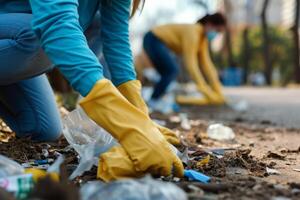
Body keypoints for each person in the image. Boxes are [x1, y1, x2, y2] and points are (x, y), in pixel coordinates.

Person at [0, 0, 183, 181]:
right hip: (21, 35)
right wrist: (124, 123)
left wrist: (140, 119)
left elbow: (116, 38)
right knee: (35, 35)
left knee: (42, 128)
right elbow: (56, 23)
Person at [143, 13, 227, 106]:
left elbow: (207, 65)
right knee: (171, 71)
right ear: (209, 24)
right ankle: (153, 101)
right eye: (217, 30)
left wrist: (218, 91)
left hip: (156, 41)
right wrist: (204, 89)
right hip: (153, 38)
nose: (216, 34)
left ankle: (155, 98)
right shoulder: (193, 32)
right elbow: (191, 65)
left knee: (167, 74)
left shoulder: (202, 40)